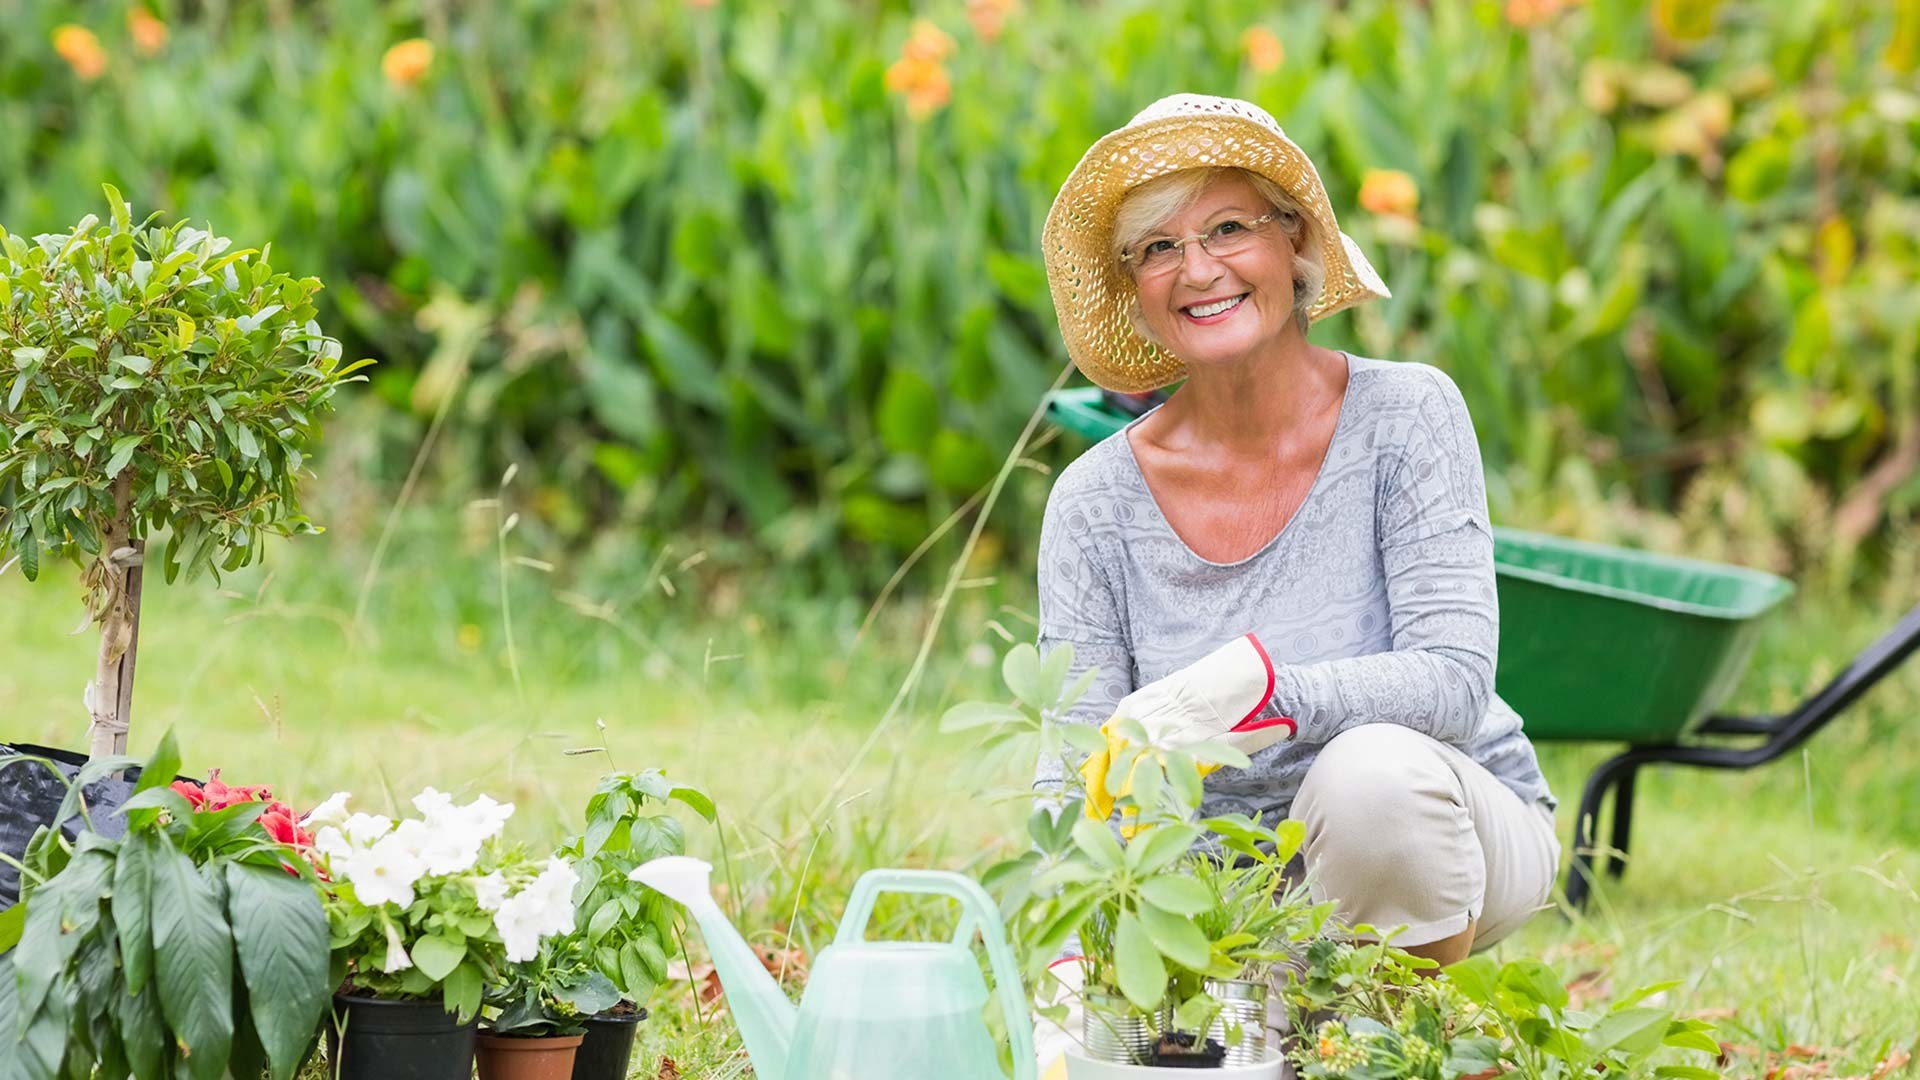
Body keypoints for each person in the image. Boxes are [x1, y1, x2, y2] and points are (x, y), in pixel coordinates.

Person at [1029, 93, 1561, 1072]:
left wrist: (1263, 695)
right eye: (1156, 248)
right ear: (1135, 285)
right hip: (1215, 892)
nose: (1197, 270)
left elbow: (1452, 680)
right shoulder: (1093, 506)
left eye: (1229, 228)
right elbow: (1073, 764)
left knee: (1369, 780)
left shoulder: (1406, 417)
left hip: (1444, 826)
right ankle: (1283, 1025)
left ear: (1297, 243)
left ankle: (1378, 1045)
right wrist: (1075, 948)